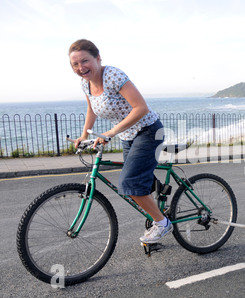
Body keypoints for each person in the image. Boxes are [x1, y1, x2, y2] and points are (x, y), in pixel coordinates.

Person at [69, 39, 172, 244]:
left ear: (98, 59)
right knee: (137, 179)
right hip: (128, 135)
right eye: (75, 64)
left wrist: (111, 132)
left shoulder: (114, 76)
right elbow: (92, 109)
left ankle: (162, 223)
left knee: (129, 182)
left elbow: (140, 108)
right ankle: (162, 201)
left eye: (85, 61)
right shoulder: (85, 83)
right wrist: (84, 136)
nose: (81, 67)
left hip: (149, 130)